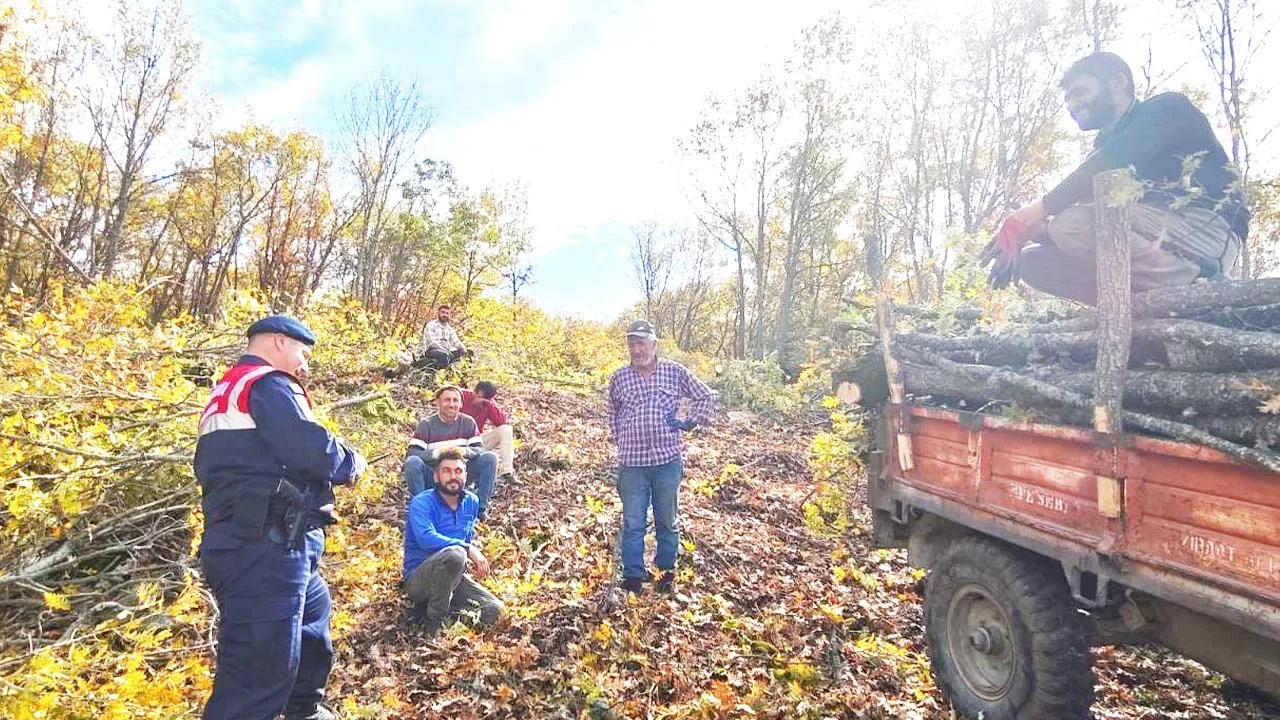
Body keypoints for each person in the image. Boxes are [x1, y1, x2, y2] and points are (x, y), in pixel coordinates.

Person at [194, 315, 366, 720]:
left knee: (312, 621)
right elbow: (309, 447)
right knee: (258, 675)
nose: (305, 364)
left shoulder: (228, 390)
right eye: (302, 353)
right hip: (263, 546)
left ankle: (303, 710)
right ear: (277, 342)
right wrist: (351, 462)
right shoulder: (267, 383)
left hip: (266, 540)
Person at [980, 51, 1250, 305]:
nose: (1073, 105)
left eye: (1081, 92)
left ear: (1118, 83)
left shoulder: (1166, 110)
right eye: (1069, 100)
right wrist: (1027, 234)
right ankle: (1134, 307)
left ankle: (1196, 284)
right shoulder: (1102, 147)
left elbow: (1109, 165)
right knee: (1032, 262)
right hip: (1153, 239)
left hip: (1207, 233)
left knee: (1069, 224)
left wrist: (1029, 216)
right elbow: (1092, 225)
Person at [606, 320, 716, 594]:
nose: (636, 349)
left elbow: (706, 396)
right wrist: (622, 443)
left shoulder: (674, 371)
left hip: (667, 459)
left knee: (667, 519)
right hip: (632, 464)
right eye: (632, 344)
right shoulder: (619, 378)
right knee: (633, 522)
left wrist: (690, 422)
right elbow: (613, 416)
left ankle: (666, 573)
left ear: (654, 345)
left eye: (642, 343)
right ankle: (632, 577)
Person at [403, 447, 505, 636]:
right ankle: (434, 623)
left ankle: (433, 612)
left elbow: (465, 536)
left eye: (458, 471)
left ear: (465, 476)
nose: (453, 476)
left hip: (452, 576)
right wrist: (468, 549)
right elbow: (425, 538)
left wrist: (465, 554)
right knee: (456, 553)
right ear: (436, 477)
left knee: (495, 610)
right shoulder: (422, 502)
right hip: (419, 579)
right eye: (447, 471)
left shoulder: (472, 501)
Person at [402, 385, 499, 517]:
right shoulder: (427, 425)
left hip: (461, 475)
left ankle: (480, 509)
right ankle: (422, 508)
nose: (451, 404)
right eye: (447, 400)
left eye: (455, 400)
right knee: (412, 463)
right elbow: (412, 454)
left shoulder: (468, 422)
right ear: (438, 402)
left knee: (490, 458)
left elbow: (479, 449)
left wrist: (464, 451)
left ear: (461, 404)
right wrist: (437, 453)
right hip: (435, 478)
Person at [462, 381, 517, 483]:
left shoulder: (488, 404)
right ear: (474, 391)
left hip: (476, 444)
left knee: (506, 429)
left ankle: (507, 472)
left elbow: (501, 422)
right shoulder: (461, 396)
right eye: (477, 396)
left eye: (481, 398)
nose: (478, 400)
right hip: (456, 442)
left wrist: (489, 404)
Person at [417, 303, 468, 370]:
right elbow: (432, 343)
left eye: (447, 313)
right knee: (444, 355)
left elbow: (456, 341)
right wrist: (445, 350)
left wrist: (464, 350)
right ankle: (434, 371)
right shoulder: (431, 325)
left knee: (461, 353)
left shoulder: (449, 329)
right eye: (443, 312)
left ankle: (449, 370)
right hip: (432, 350)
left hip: (446, 351)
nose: (445, 315)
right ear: (438, 313)